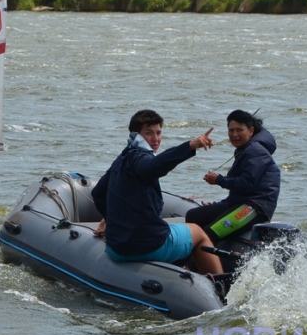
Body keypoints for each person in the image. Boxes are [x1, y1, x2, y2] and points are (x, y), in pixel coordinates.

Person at [91, 109, 224, 275]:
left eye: (158, 133)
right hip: (145, 245)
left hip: (116, 247)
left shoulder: (123, 158)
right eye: (149, 133)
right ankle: (219, 285)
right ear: (137, 135)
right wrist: (190, 146)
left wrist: (110, 221)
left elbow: (98, 193)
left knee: (171, 228)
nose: (155, 139)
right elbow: (152, 167)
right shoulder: (141, 158)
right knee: (198, 232)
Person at [185, 109, 280, 241]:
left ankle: (192, 262)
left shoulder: (256, 151)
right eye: (231, 130)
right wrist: (218, 204)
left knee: (208, 234)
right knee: (193, 215)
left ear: (251, 131)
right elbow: (240, 193)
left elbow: (247, 184)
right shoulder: (246, 149)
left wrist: (218, 180)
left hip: (256, 208)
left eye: (239, 130)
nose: (234, 134)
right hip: (242, 202)